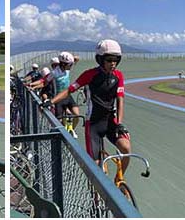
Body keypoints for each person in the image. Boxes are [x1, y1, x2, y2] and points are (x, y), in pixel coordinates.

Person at [45, 40, 129, 181]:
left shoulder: (119, 76)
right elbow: (69, 90)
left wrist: (119, 123)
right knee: (95, 167)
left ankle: (118, 180)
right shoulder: (89, 74)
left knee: (126, 149)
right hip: (94, 124)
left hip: (110, 121)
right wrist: (50, 101)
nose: (113, 63)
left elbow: (120, 100)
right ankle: (96, 197)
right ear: (100, 60)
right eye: (109, 60)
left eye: (116, 60)